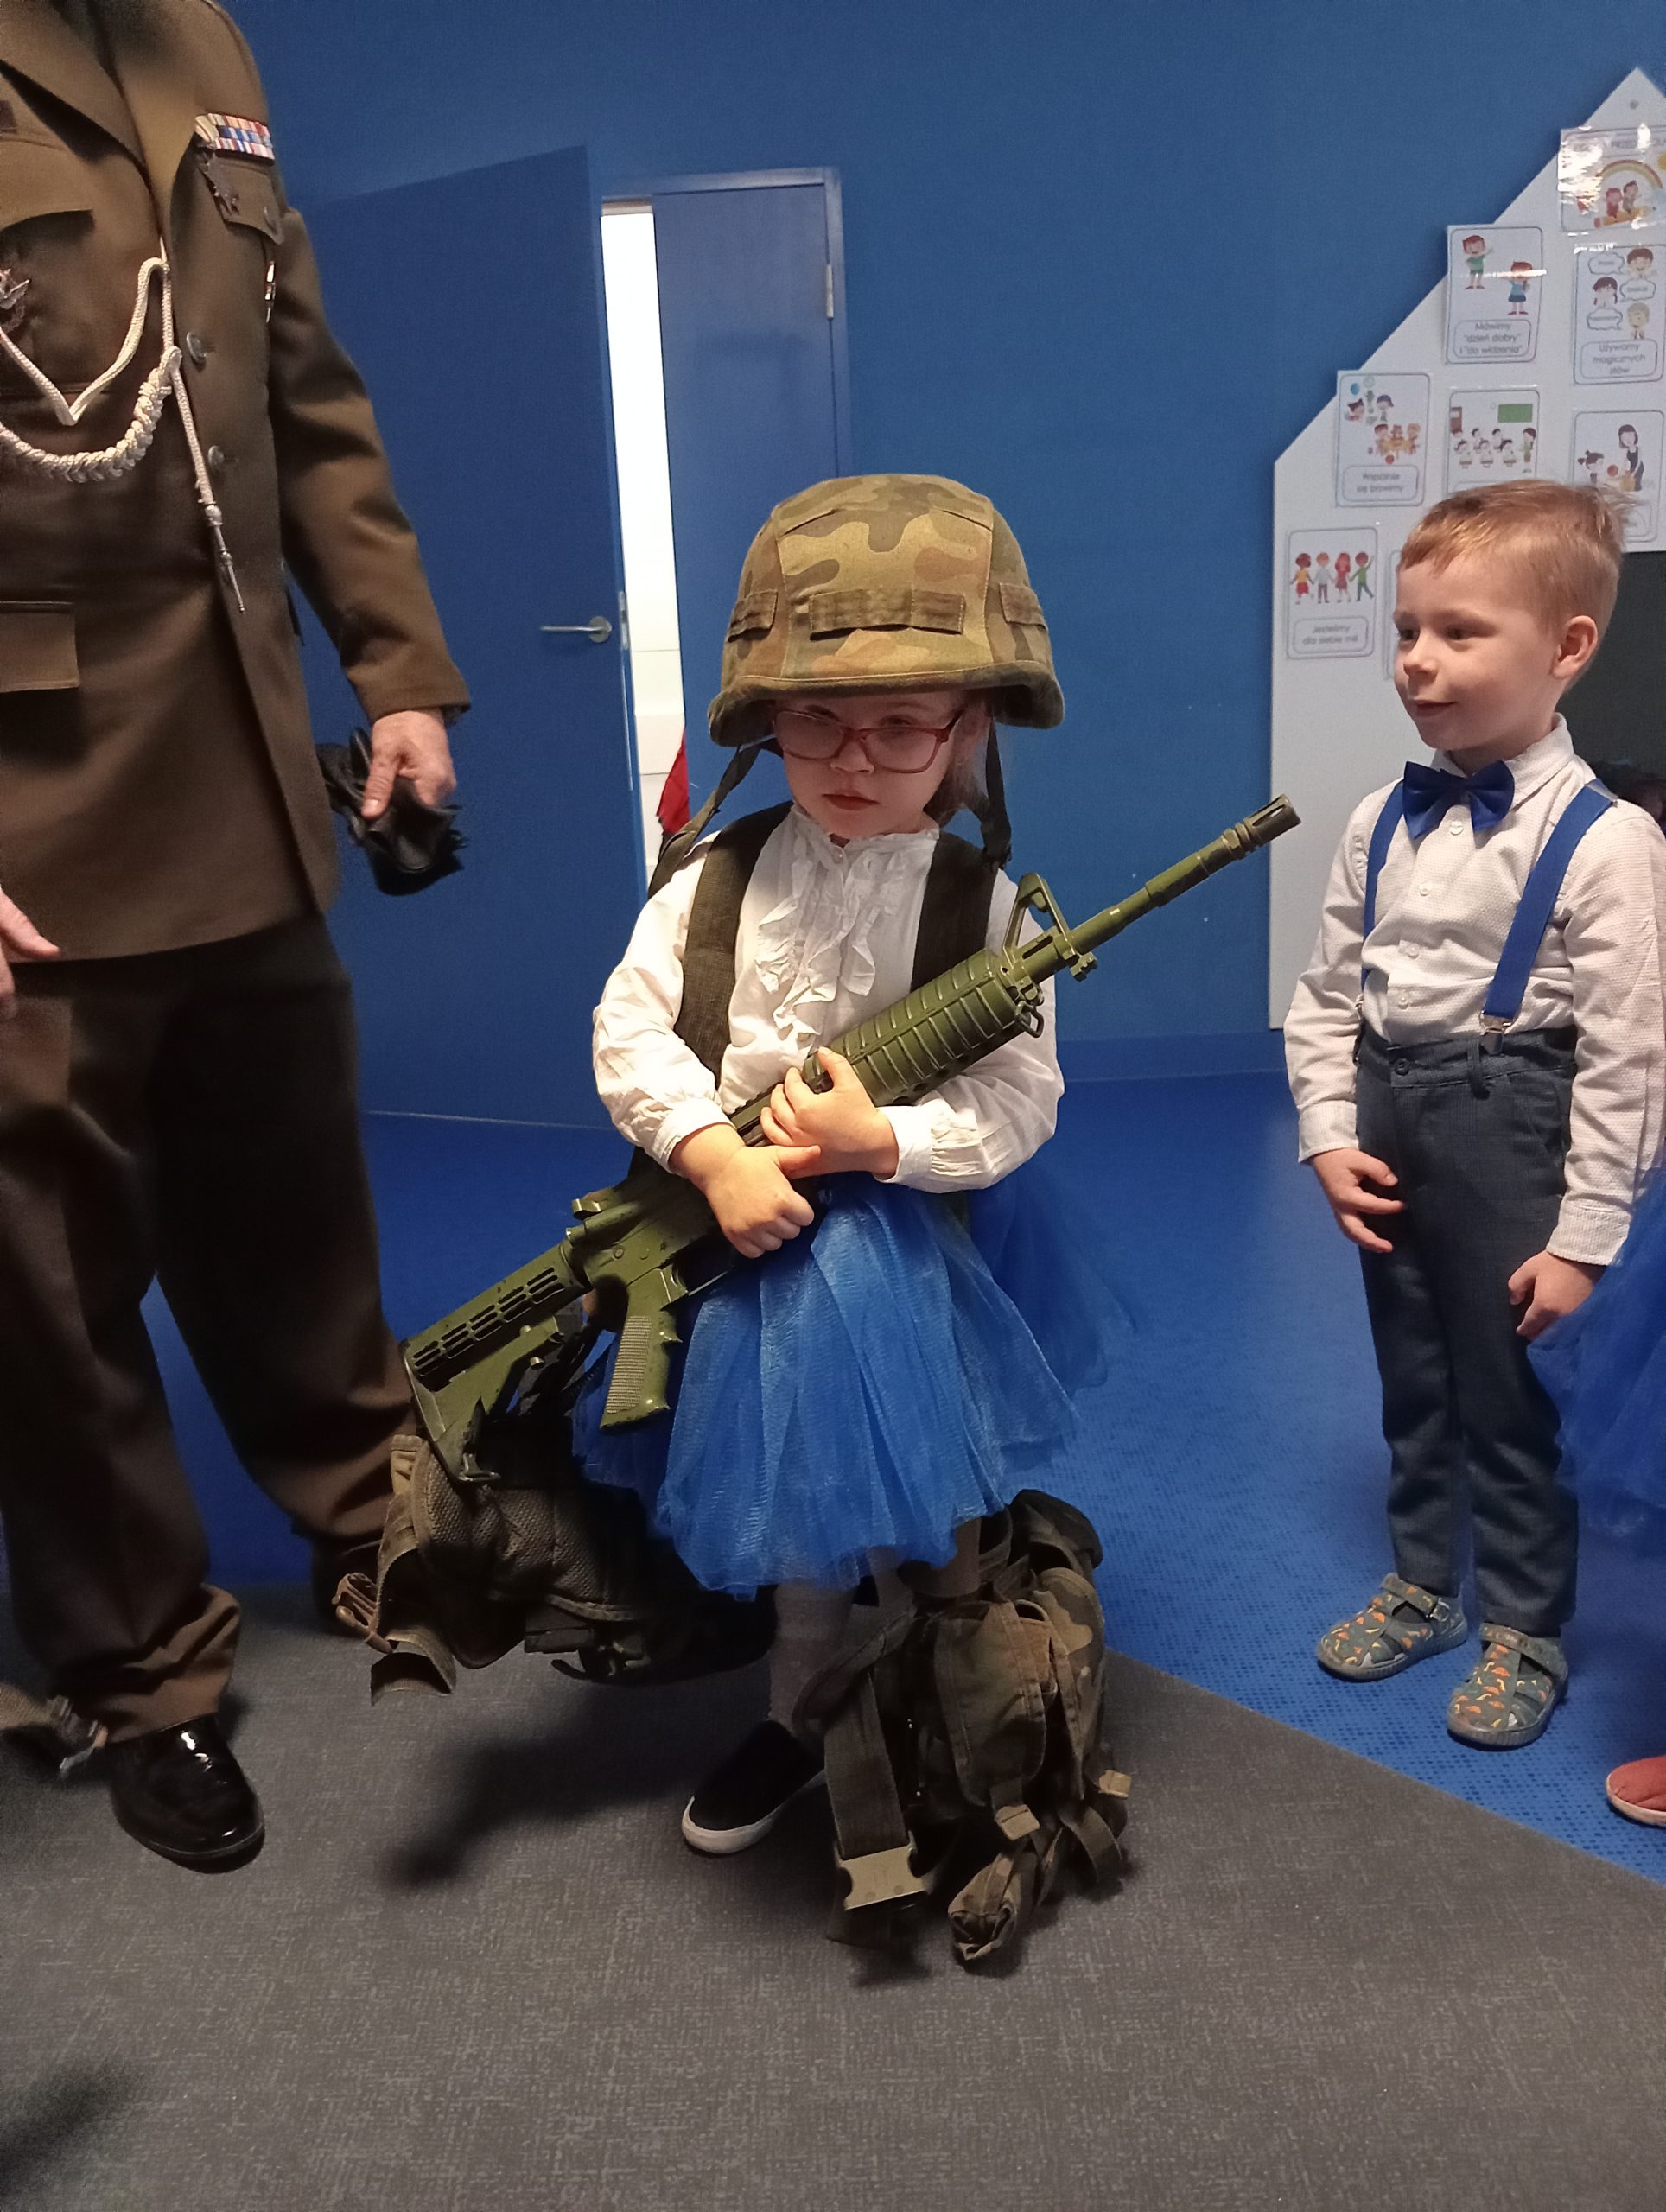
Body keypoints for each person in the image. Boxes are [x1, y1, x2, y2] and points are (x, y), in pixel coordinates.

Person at [0, 0, 467, 1868]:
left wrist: (397, 667)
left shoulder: (198, 37)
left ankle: (371, 1524)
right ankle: (142, 1668)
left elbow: (300, 390)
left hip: (244, 756)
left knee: (292, 1205)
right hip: (31, 798)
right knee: (47, 1280)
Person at [575, 474, 1101, 1854]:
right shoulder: (713, 877)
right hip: (736, 1223)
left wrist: (890, 1142)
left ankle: (955, 1701)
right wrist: (710, 1154)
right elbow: (630, 1029)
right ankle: (798, 1711)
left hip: (909, 1234)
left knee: (938, 1504)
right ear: (768, 723)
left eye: (900, 726)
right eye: (814, 721)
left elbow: (1022, 1094)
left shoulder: (985, 908)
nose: (852, 758)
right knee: (797, 1513)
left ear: (967, 731)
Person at [1284, 480, 1666, 1750]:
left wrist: (1586, 1240)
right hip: (1392, 1120)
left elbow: (1631, 1061)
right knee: (1415, 1377)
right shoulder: (1378, 819)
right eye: (1408, 630)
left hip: (1518, 1136)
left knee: (1511, 1398)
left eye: (1460, 631)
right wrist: (1329, 1132)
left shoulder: (1610, 841)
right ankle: (1422, 1585)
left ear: (1568, 647)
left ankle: (1524, 1625)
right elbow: (1325, 995)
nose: (1418, 661)